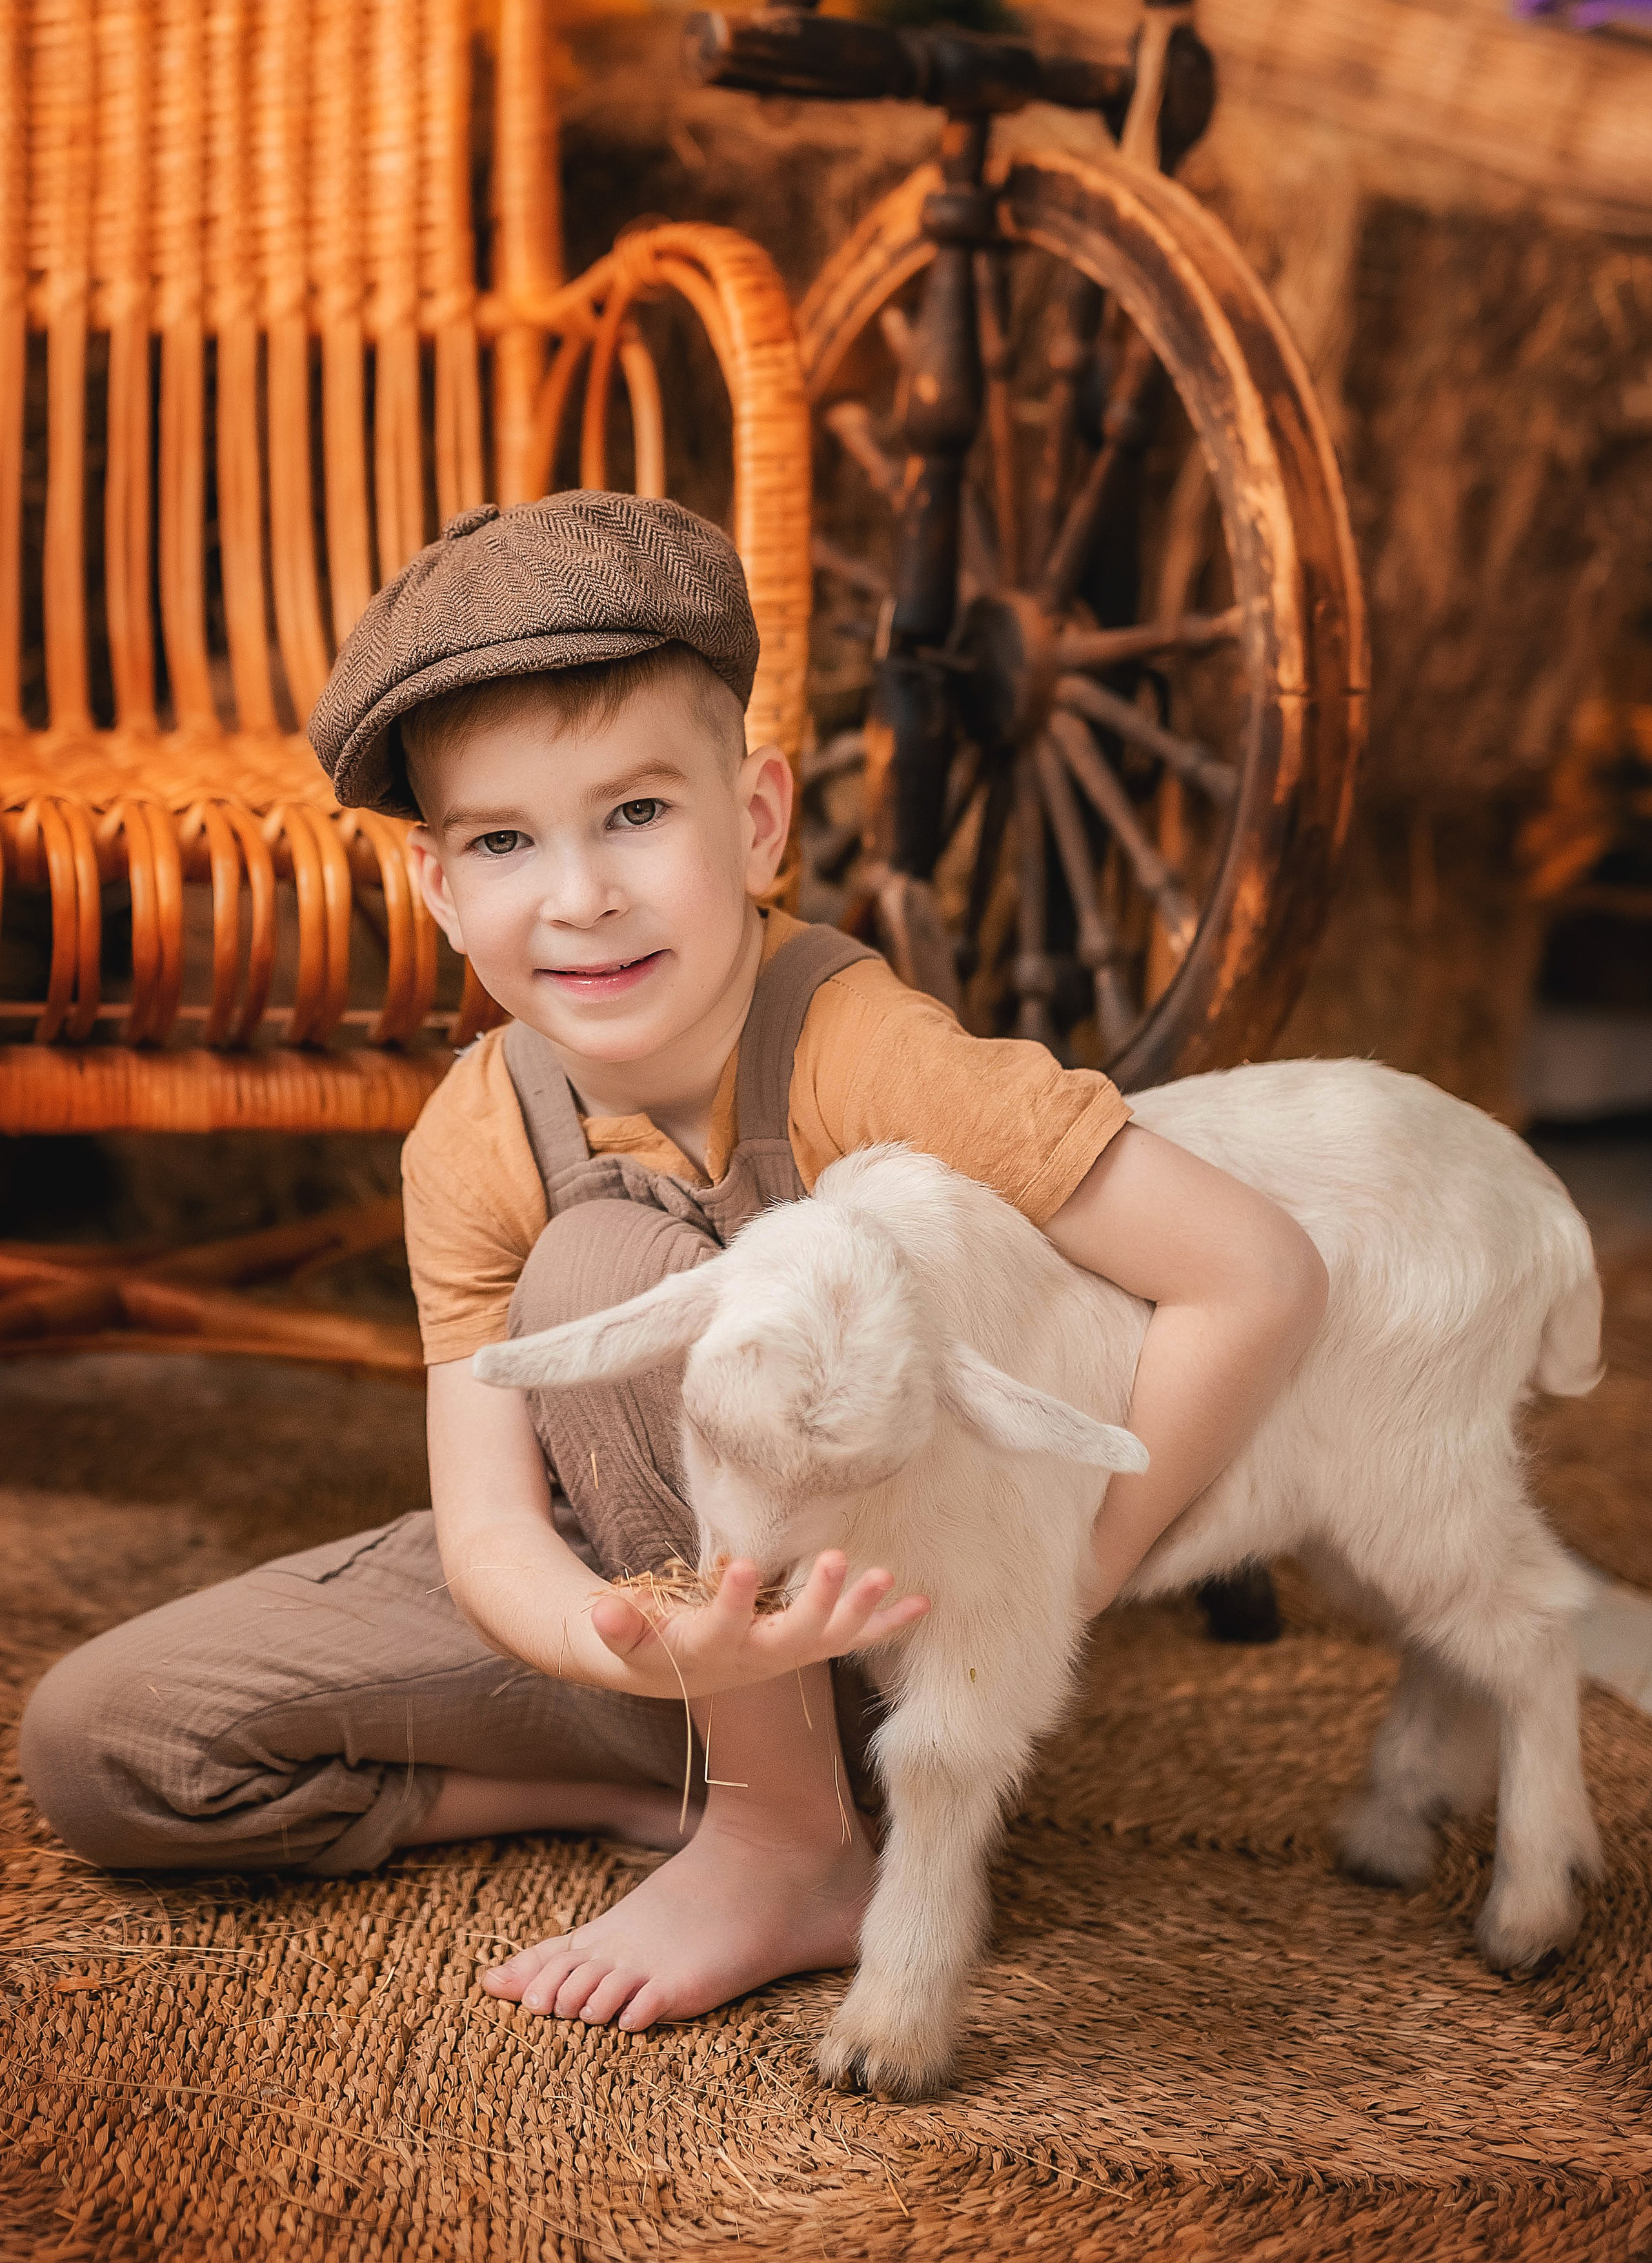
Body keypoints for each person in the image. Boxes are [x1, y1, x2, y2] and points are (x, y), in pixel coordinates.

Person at [19, 490, 1326, 2039]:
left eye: (636, 814)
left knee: (596, 1272)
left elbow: (1253, 1273)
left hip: (861, 1619)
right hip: (642, 1614)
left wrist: (1057, 1579)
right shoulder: (473, 1134)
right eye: (504, 841)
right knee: (103, 1746)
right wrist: (621, 1645)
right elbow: (493, 1523)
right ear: (441, 889)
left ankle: (786, 1846)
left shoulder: (867, 1053)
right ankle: (695, 1781)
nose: (578, 896)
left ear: (757, 817)